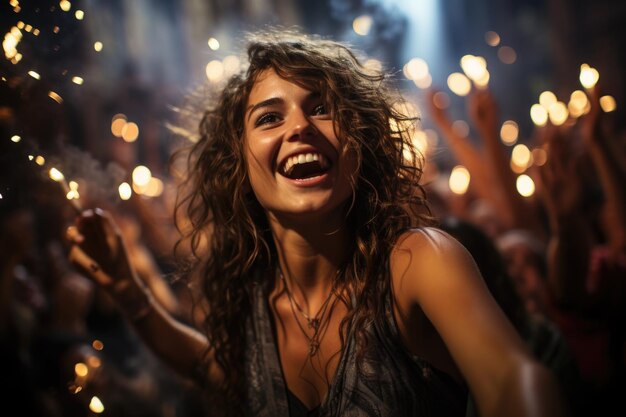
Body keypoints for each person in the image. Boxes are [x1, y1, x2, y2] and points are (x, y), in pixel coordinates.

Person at [66, 29, 569, 417]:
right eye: (269, 118)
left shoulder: (419, 261)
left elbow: (512, 381)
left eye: (323, 108)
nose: (300, 127)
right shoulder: (251, 301)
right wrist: (131, 294)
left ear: (359, 145)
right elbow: (220, 371)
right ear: (238, 165)